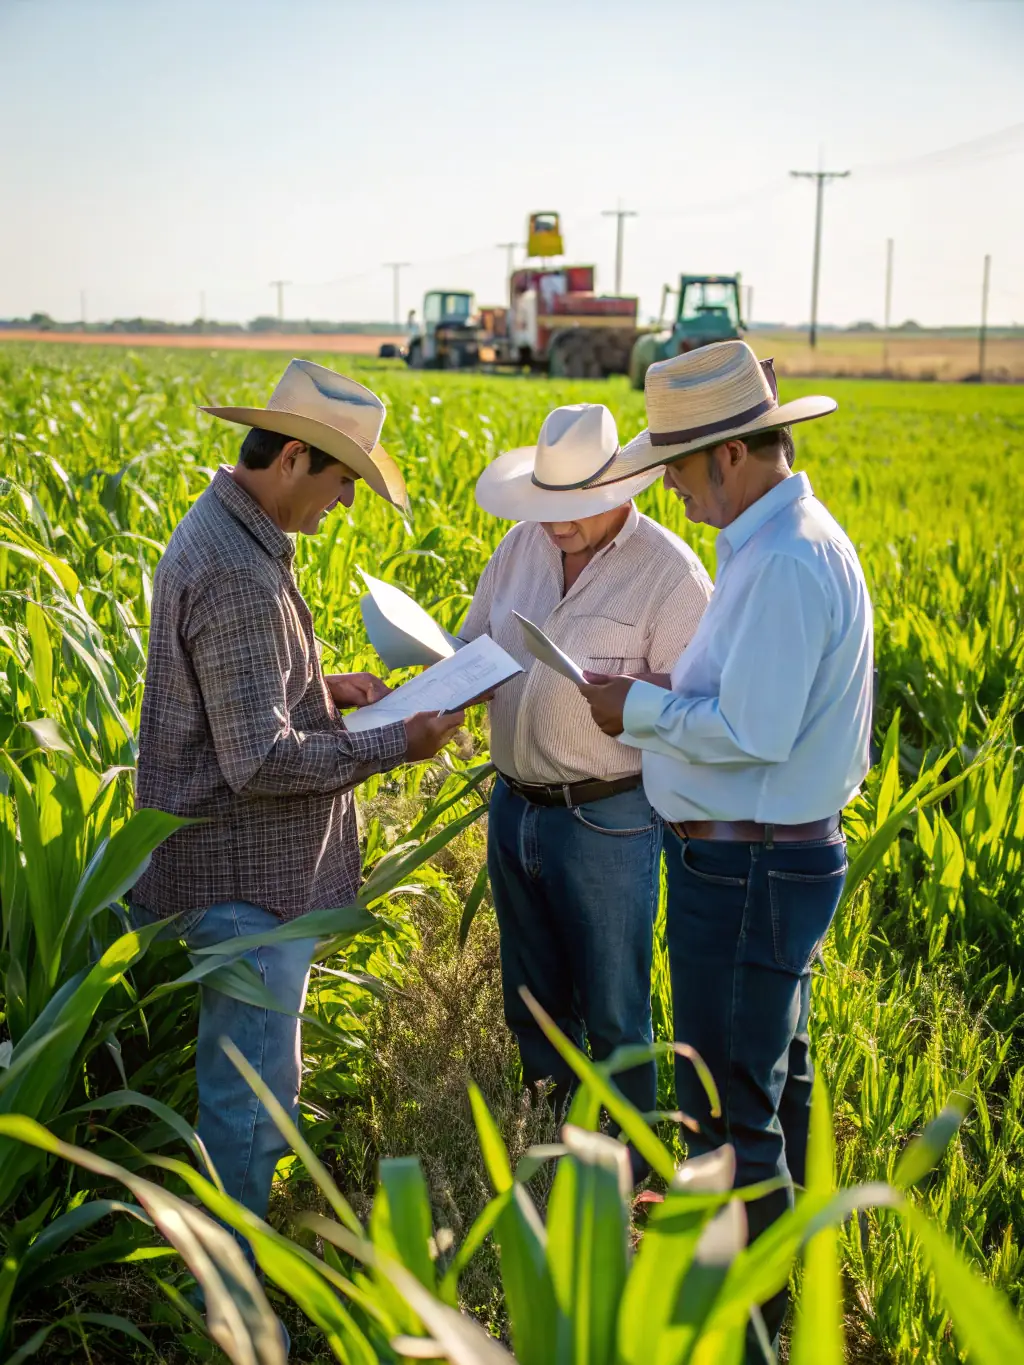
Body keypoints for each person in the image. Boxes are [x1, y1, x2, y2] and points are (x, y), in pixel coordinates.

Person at [574, 340, 873, 1350]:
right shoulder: (767, 547)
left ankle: (740, 1324)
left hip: (748, 867)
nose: (670, 487)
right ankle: (771, 1298)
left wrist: (638, 707)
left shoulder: (784, 563)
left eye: (676, 464)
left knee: (725, 1109)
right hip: (752, 858)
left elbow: (755, 730)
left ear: (731, 456)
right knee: (767, 1081)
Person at [133, 358, 464, 1254]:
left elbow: (244, 703)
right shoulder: (238, 570)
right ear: (289, 459)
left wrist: (329, 689)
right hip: (244, 886)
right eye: (342, 480)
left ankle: (234, 1263)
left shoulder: (234, 537)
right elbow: (261, 760)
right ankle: (234, 1302)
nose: (347, 502)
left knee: (256, 1087)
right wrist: (403, 739)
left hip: (249, 879)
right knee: (247, 1101)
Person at [461, 402, 712, 1170]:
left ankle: (630, 1166)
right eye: (547, 506)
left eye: (574, 509)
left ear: (619, 488)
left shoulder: (669, 574)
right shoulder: (518, 548)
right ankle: (551, 1149)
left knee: (615, 1010)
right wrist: (448, 677)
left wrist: (634, 698)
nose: (555, 524)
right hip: (515, 807)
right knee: (532, 998)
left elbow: (700, 701)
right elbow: (475, 639)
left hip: (608, 819)